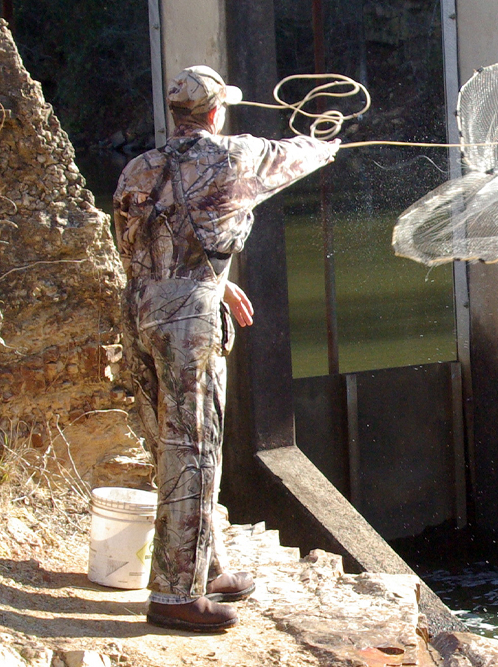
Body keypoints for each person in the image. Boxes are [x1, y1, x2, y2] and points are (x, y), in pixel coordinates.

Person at [113, 65, 341, 632]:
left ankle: (206, 566)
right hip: (189, 324)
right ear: (216, 112)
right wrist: (330, 141)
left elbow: (143, 253)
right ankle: (173, 597)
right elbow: (300, 155)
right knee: (193, 446)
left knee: (169, 435)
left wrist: (218, 280)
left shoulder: (138, 168)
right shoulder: (235, 157)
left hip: (139, 314)